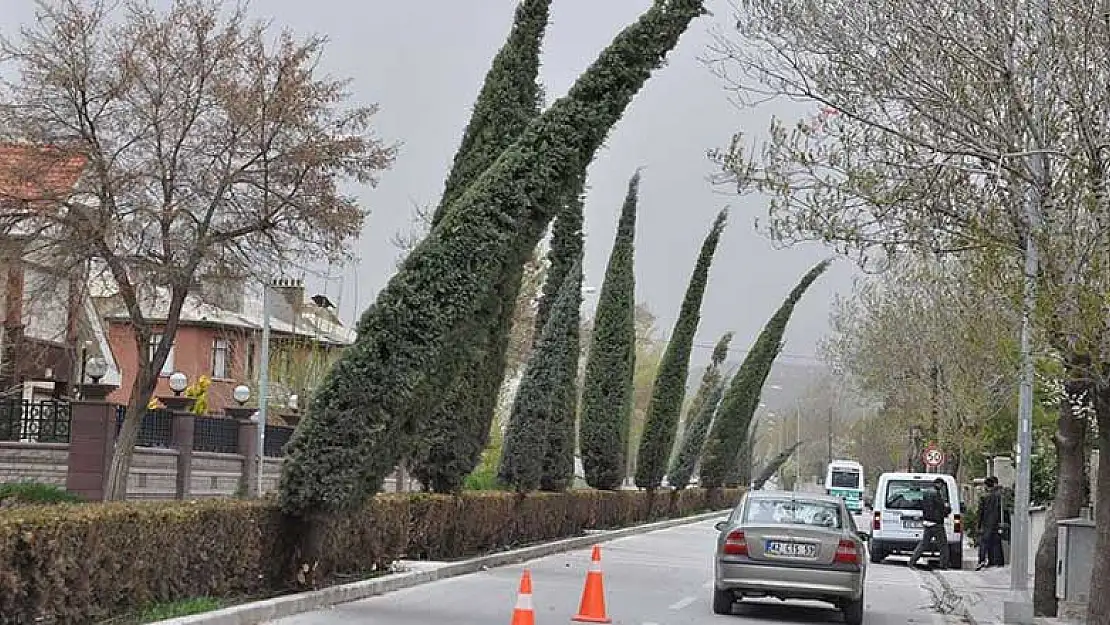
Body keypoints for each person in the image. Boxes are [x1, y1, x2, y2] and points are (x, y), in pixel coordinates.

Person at [909, 478, 952, 570]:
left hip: (927, 522)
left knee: (923, 544)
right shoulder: (936, 494)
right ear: (938, 484)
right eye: (941, 485)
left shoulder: (926, 493)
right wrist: (948, 509)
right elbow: (941, 508)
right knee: (943, 545)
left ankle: (912, 561)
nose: (942, 486)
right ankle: (943, 565)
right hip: (936, 523)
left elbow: (921, 505)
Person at [977, 476, 1005, 570]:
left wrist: (979, 525)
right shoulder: (999, 496)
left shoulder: (984, 497)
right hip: (996, 523)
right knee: (996, 543)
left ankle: (982, 561)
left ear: (986, 486)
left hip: (986, 523)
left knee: (984, 543)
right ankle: (998, 562)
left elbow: (980, 512)